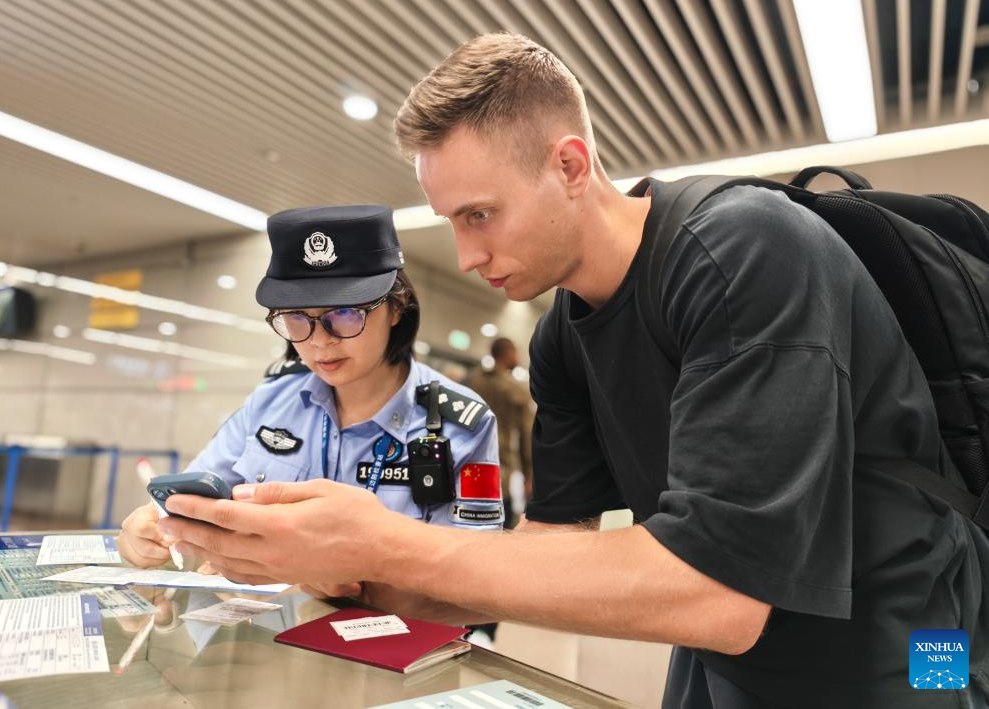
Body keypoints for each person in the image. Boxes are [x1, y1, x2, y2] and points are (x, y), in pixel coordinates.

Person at [157, 35, 988, 708]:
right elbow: (549, 553)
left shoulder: (741, 251)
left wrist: (388, 540)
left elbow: (718, 589)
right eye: (452, 220)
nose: (467, 254)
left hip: (912, 637)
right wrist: (355, 575)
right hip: (734, 654)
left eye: (481, 214)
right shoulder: (563, 337)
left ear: (570, 165)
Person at [118, 204, 504, 570]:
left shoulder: (461, 425)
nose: (320, 342)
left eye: (345, 314)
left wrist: (347, 570)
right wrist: (150, 527)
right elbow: (191, 500)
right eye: (296, 317)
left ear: (396, 307)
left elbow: (477, 573)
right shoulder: (271, 401)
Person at [466, 337, 533, 528]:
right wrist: (529, 475)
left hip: (469, 460)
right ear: (509, 353)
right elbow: (527, 436)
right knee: (501, 524)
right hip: (500, 465)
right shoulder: (515, 390)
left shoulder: (472, 380)